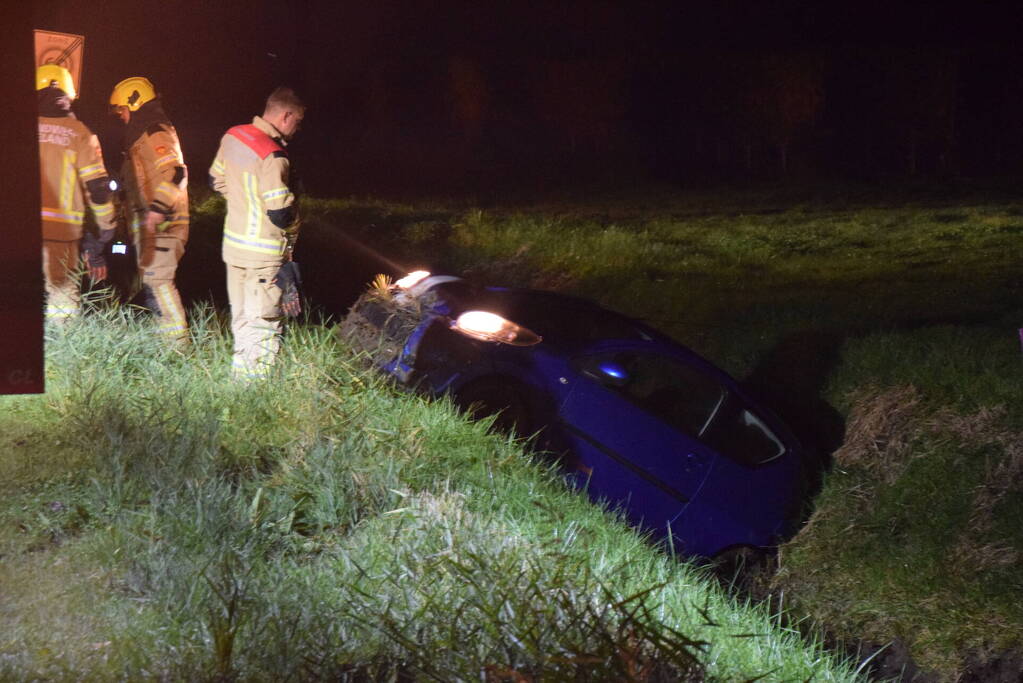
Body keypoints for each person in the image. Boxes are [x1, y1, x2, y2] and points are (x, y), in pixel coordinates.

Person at [208, 87, 305, 380]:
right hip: (264, 255)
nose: (297, 129)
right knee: (263, 323)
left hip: (234, 248)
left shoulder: (233, 136)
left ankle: (239, 383)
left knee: (241, 319)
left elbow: (216, 180)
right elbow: (280, 212)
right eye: (297, 122)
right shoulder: (274, 155)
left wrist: (244, 204)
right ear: (285, 115)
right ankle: (256, 392)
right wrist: (293, 233)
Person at [109, 76, 189, 344]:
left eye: (121, 109)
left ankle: (178, 348)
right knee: (153, 282)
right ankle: (163, 342)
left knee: (159, 282)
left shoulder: (155, 132)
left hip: (165, 222)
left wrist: (157, 210)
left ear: (135, 102)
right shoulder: (138, 140)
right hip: (151, 227)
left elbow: (176, 172)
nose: (120, 116)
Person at [37, 63, 117, 323]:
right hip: (62, 232)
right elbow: (97, 188)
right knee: (62, 296)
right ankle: (60, 354)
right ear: (69, 96)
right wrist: (106, 228)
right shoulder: (80, 133)